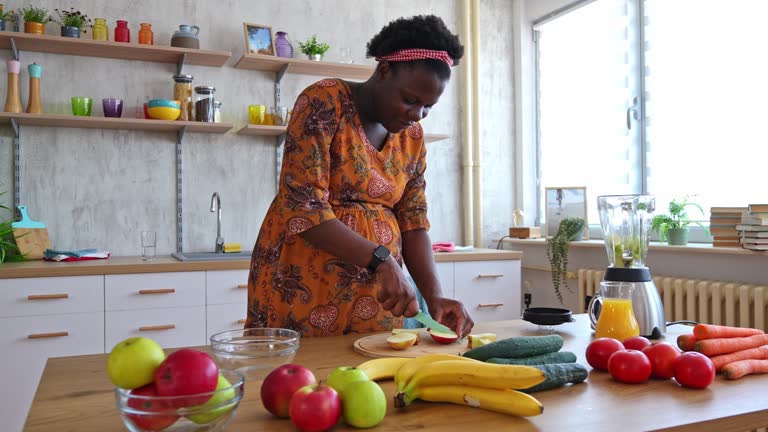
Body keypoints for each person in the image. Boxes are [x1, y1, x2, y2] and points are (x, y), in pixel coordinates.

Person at [245, 15, 474, 338]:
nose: (416, 115)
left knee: (373, 381)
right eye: (410, 100)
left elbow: (413, 221)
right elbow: (303, 206)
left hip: (377, 298)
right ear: (383, 71)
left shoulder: (413, 138)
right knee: (298, 381)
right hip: (303, 285)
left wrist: (434, 296)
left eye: (427, 107)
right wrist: (381, 261)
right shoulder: (325, 102)